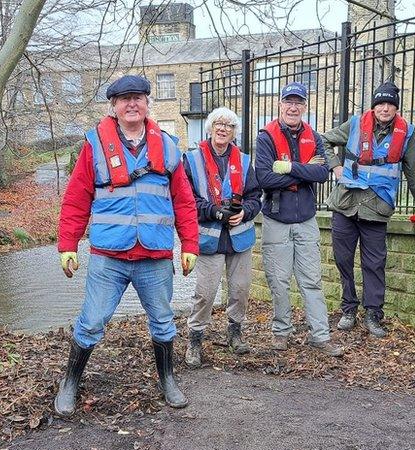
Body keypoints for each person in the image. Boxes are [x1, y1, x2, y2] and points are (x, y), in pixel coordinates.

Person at [54, 75, 200, 416]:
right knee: (91, 322)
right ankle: (70, 382)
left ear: (147, 103)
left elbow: (184, 201)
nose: (131, 104)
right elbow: (76, 199)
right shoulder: (94, 145)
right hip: (109, 257)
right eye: (124, 99)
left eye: (138, 97)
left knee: (163, 321)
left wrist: (190, 244)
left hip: (155, 255)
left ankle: (168, 380)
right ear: (114, 106)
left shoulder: (167, 146)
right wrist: (68, 244)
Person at [322, 82, 415, 338]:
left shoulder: (406, 135)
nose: (385, 108)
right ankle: (349, 309)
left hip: (377, 208)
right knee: (343, 260)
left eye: (390, 104)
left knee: (374, 264)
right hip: (345, 205)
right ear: (373, 106)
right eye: (380, 104)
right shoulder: (354, 125)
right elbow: (323, 141)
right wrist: (335, 167)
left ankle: (373, 314)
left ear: (396, 108)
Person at [256, 82, 344, 357]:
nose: (293, 107)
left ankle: (320, 336)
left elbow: (322, 174)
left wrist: (291, 168)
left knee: (311, 280)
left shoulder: (314, 137)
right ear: (280, 104)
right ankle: (281, 331)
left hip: (306, 218)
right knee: (278, 280)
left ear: (305, 106)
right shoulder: (265, 137)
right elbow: (264, 178)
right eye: (288, 102)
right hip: (276, 218)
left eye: (299, 102)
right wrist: (305, 172)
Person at [183, 107, 262, 367]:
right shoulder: (192, 160)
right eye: (218, 123)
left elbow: (255, 197)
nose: (223, 128)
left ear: (234, 132)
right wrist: (215, 212)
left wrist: (246, 213)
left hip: (239, 237)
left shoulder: (246, 161)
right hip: (209, 238)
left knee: (240, 290)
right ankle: (195, 339)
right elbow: (187, 201)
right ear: (210, 127)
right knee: (205, 293)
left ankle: (235, 332)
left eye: (229, 125)